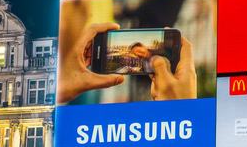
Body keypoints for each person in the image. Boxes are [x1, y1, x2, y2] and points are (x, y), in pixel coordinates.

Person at [57, 21, 196, 104]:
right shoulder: (143, 65)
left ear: (143, 45)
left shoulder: (158, 55)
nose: (139, 53)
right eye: (135, 53)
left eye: (139, 50)